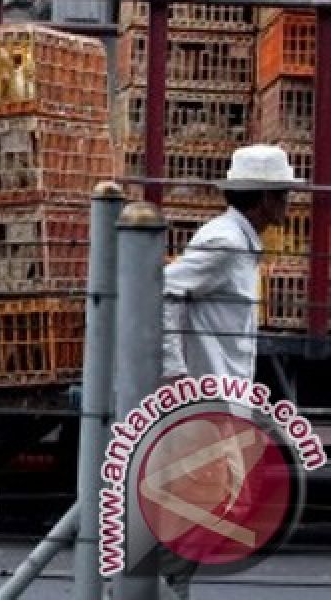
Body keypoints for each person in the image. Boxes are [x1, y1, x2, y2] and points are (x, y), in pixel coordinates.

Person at [157, 144, 305, 599]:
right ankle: (145, 581)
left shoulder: (242, 243)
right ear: (264, 199)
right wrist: (177, 373)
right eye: (283, 194)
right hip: (205, 397)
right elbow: (164, 292)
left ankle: (163, 583)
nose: (289, 203)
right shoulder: (223, 241)